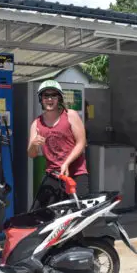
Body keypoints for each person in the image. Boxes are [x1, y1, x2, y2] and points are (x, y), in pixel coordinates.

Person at [27, 79, 89, 209]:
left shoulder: (70, 115)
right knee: (39, 213)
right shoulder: (36, 124)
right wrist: (34, 144)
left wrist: (66, 163)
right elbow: (31, 154)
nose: (49, 99)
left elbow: (81, 143)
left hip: (76, 174)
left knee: (75, 217)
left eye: (53, 95)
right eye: (46, 96)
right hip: (53, 175)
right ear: (41, 99)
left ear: (59, 98)